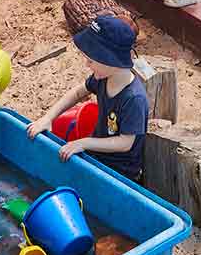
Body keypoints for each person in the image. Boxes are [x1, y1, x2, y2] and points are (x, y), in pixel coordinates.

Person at [25, 15, 147, 182]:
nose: (86, 64)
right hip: (95, 154)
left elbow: (125, 142)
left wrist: (84, 143)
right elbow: (77, 93)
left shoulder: (134, 98)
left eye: (90, 60)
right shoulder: (102, 77)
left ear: (110, 59)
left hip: (119, 172)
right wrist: (48, 118)